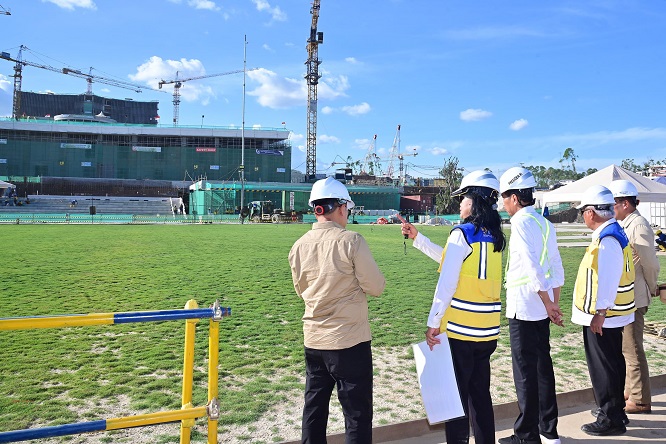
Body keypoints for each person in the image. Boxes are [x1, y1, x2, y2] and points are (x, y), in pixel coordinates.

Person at [401, 170, 506, 444]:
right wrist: (419, 239)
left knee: (455, 399)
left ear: (475, 201)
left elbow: (447, 283)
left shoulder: (462, 233)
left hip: (460, 331)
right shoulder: (494, 236)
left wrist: (433, 322)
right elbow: (455, 264)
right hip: (487, 332)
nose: (460, 204)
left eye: (464, 198)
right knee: (480, 396)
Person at [288, 177, 386, 443]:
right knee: (357, 414)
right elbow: (376, 286)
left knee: (314, 410)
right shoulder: (351, 240)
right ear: (341, 207)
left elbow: (301, 291)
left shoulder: (298, 246)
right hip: (349, 341)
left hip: (314, 339)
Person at [498, 167, 565, 444]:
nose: (502, 203)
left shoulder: (521, 223)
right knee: (542, 367)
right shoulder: (544, 223)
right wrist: (553, 303)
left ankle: (526, 436)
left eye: (504, 197)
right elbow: (556, 266)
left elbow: (532, 266)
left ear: (514, 197)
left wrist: (549, 303)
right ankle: (548, 431)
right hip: (541, 304)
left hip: (526, 305)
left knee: (525, 372)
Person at [572, 185, 636, 436]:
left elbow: (608, 278)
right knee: (612, 364)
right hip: (614, 312)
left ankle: (610, 417)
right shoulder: (614, 231)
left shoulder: (607, 238)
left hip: (604, 316)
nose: (583, 217)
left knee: (604, 367)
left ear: (591, 212)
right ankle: (615, 411)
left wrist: (600, 313)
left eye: (583, 212)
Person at [608, 179, 659, 414]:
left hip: (636, 296)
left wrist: (651, 287)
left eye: (614, 204)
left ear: (626, 203)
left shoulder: (637, 225)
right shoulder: (627, 223)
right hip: (628, 295)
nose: (611, 209)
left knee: (632, 349)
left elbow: (650, 262)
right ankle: (630, 391)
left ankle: (639, 399)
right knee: (626, 348)